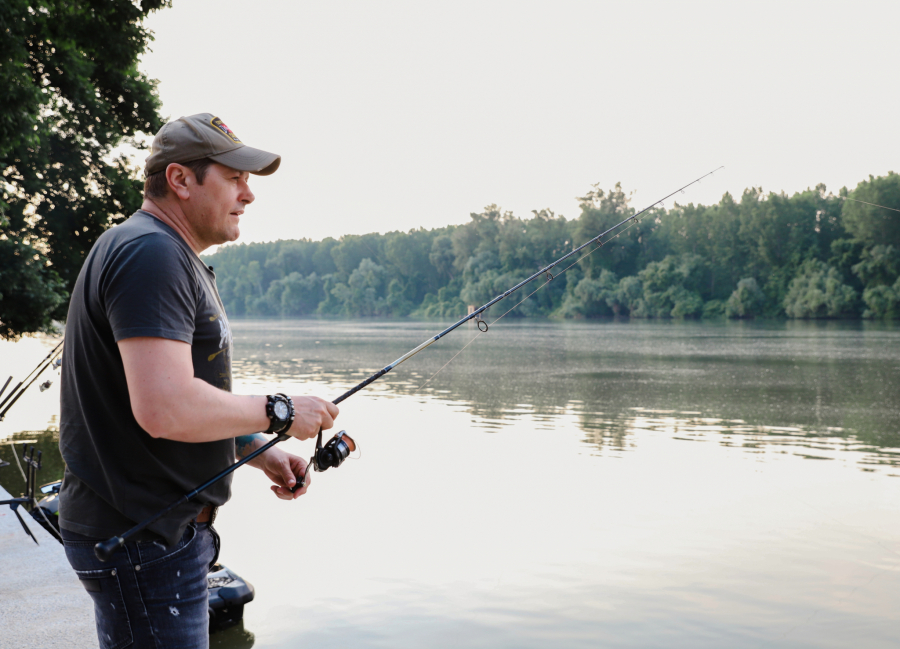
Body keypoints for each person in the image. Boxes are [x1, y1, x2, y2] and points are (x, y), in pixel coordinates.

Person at [58, 113, 339, 649]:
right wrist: (280, 411)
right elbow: (164, 407)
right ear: (181, 180)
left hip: (145, 533)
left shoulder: (154, 248)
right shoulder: (151, 253)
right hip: (144, 537)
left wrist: (257, 450)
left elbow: (164, 401)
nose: (248, 195)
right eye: (234, 179)